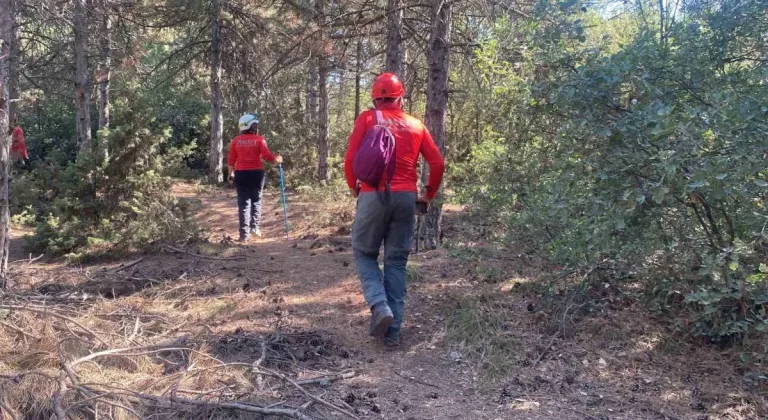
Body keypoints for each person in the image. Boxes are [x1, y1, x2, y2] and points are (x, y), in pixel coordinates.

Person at [344, 73, 445, 346]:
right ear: (401, 97)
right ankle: (394, 331)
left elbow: (350, 159)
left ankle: (379, 306)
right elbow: (436, 164)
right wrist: (428, 195)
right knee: (397, 261)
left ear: (375, 98)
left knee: (364, 253)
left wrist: (356, 189)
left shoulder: (367, 119)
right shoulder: (415, 124)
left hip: (373, 194)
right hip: (406, 197)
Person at [227, 113, 282, 242]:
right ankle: (254, 228)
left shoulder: (236, 140)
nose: (256, 127)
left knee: (243, 204)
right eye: (254, 125)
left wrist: (230, 174)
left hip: (241, 174)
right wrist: (277, 160)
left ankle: (243, 235)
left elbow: (231, 159)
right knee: (256, 201)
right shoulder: (259, 140)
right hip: (257, 174)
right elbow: (267, 156)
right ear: (249, 126)